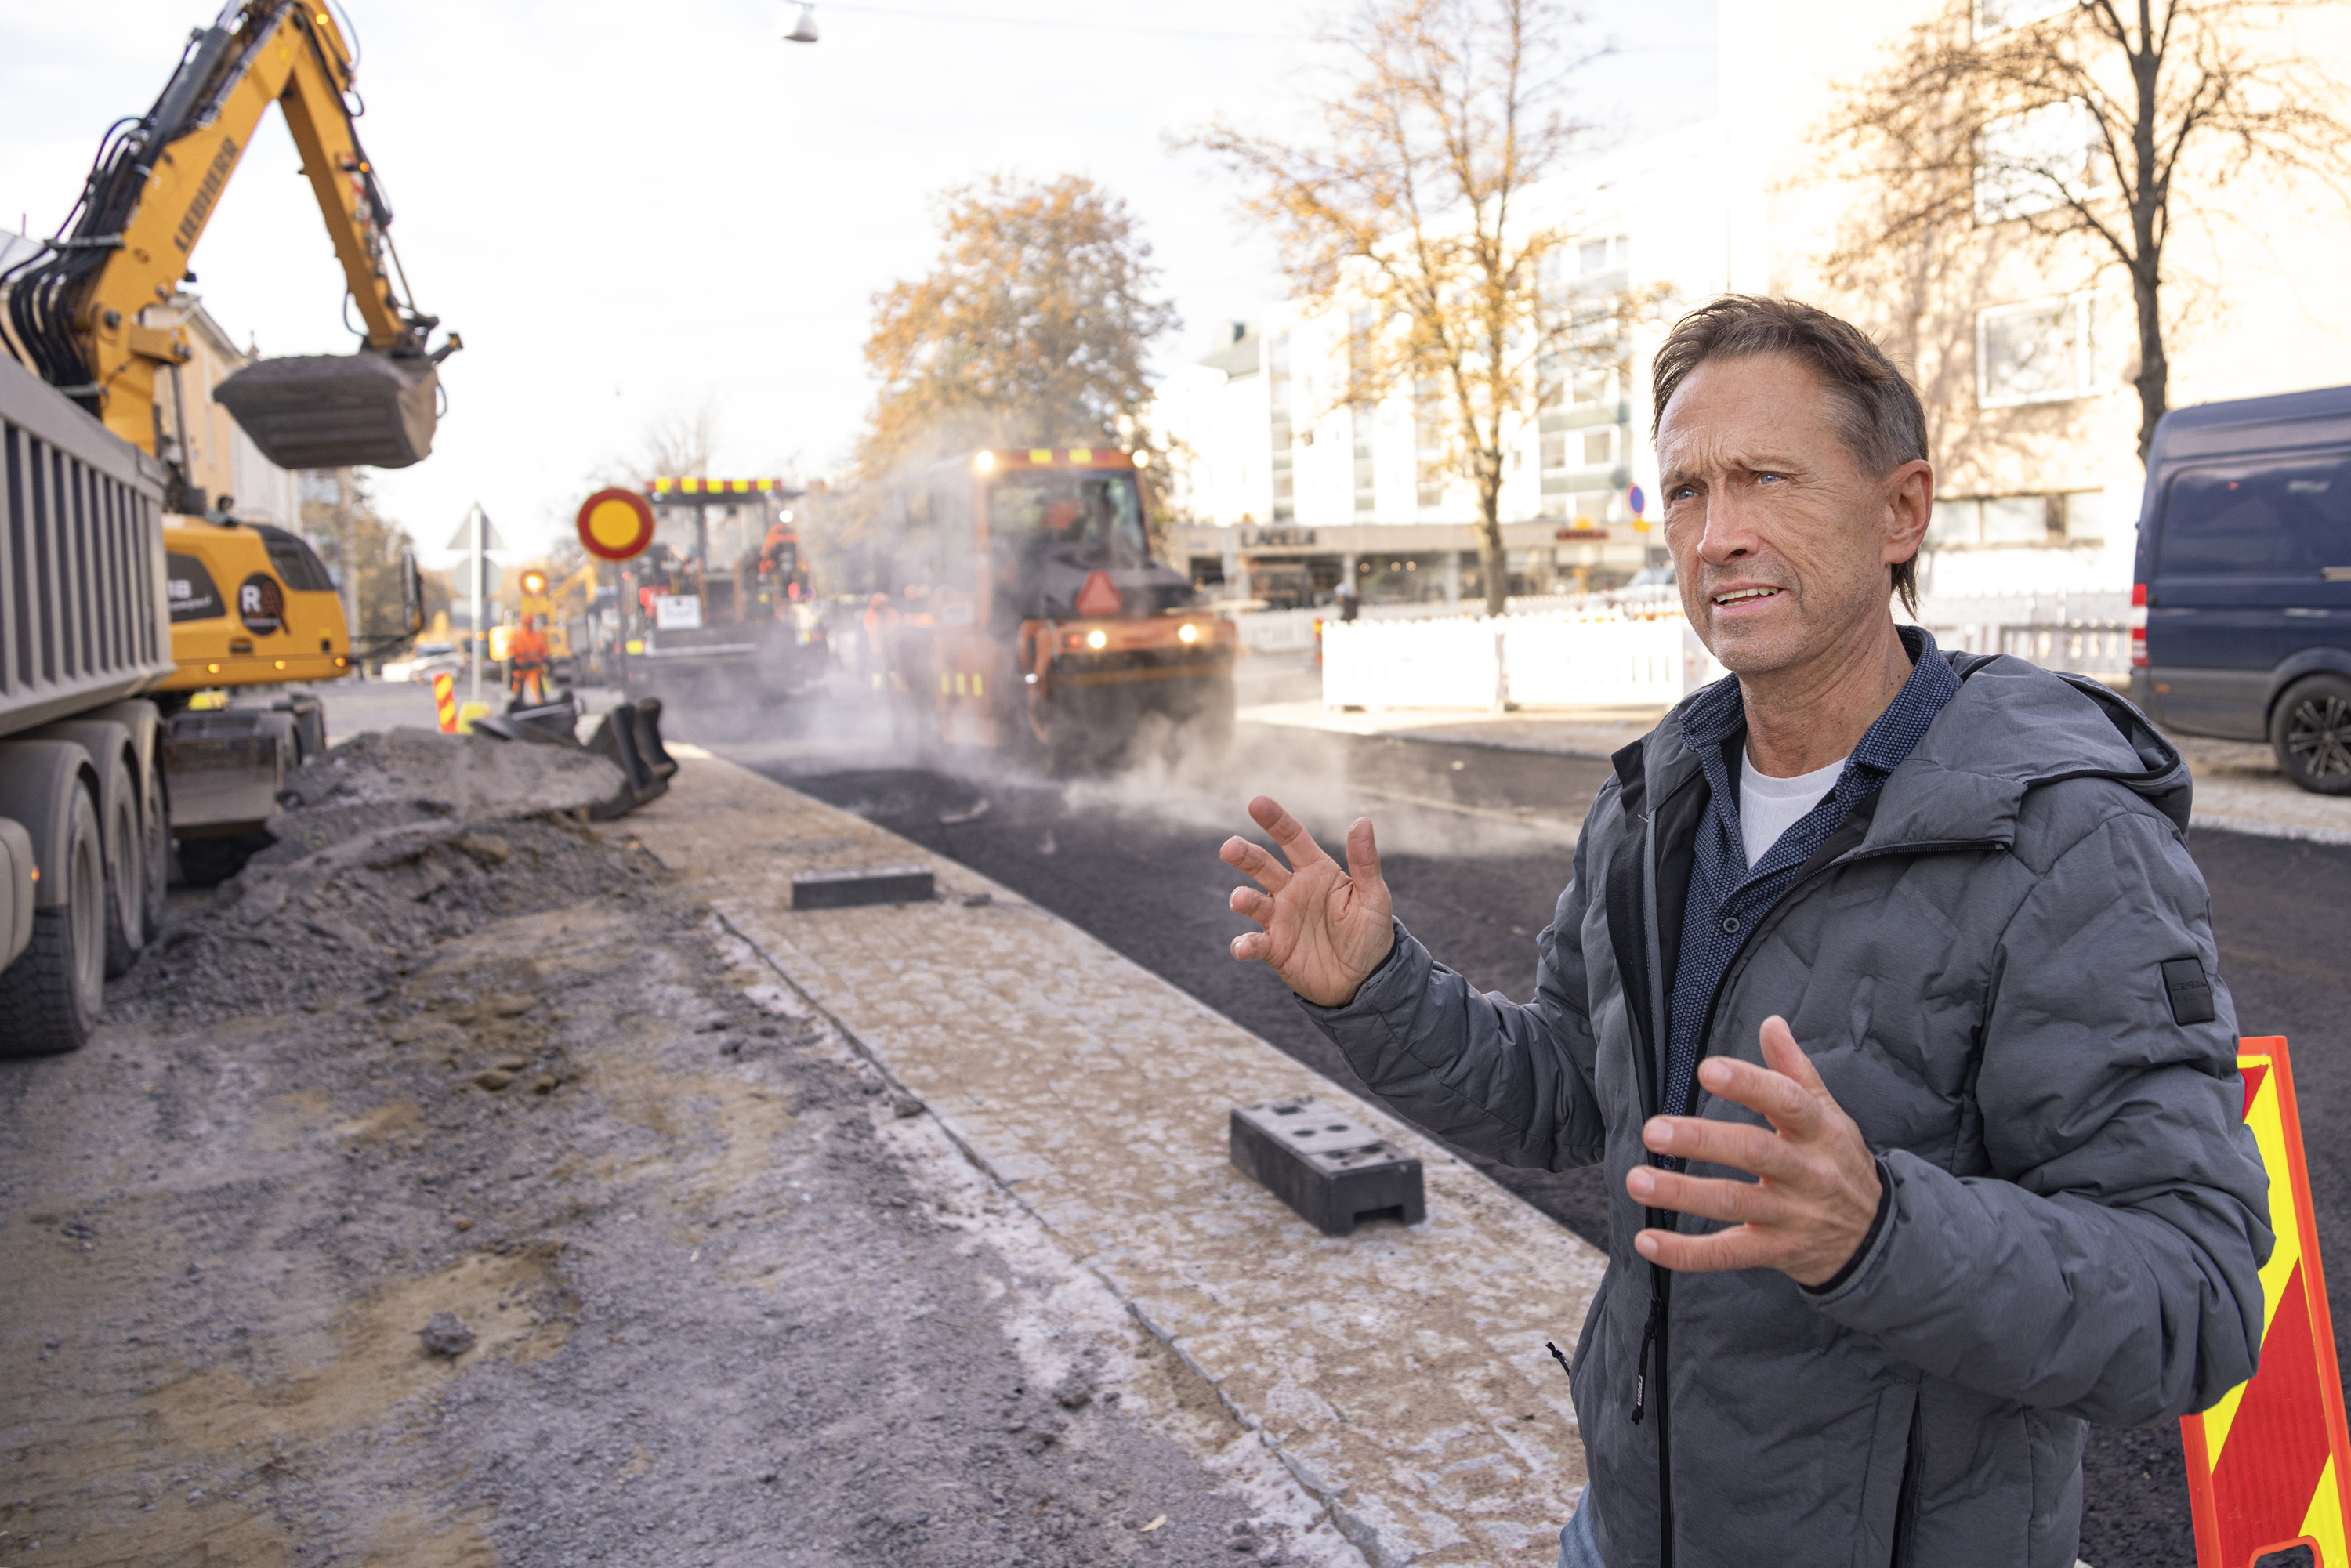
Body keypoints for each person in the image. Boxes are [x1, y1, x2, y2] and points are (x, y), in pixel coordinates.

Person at [1219, 296, 2269, 1568]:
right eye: (1685, 492)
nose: (1719, 536)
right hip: (1629, 1535)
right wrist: (1378, 989)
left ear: (1903, 510)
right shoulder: (1656, 800)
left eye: (1765, 477)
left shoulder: (2066, 842)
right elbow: (1569, 1099)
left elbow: (2196, 1295)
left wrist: (1881, 1232)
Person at [507, 613, 549, 706]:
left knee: (538, 689)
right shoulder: (517, 635)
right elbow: (512, 649)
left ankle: (541, 706)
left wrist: (546, 659)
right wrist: (513, 661)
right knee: (518, 689)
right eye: (527, 623)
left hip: (534, 666)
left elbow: (543, 649)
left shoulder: (536, 635)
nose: (529, 625)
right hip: (521, 667)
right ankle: (519, 706)